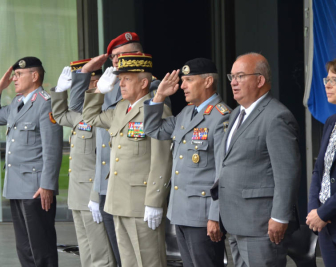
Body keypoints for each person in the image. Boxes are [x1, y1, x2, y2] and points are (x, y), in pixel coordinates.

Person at [69, 31, 169, 266]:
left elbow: (161, 159)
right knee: (128, 261)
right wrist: (96, 90)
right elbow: (89, 117)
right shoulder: (121, 106)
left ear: (143, 82)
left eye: (126, 78)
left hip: (140, 200)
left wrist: (154, 201)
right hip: (117, 198)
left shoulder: (156, 104)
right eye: (119, 76)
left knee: (148, 260)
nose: (120, 82)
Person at [212, 52, 301, 266]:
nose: (233, 82)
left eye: (240, 76)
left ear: (260, 80)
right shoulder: (236, 114)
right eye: (231, 77)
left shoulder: (276, 116)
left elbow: (287, 173)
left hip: (262, 225)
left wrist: (280, 217)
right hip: (235, 222)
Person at [143, 58, 230, 267]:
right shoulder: (187, 113)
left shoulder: (222, 117)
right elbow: (153, 129)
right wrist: (159, 95)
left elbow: (223, 173)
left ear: (208, 81)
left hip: (203, 217)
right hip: (181, 212)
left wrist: (215, 216)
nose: (182, 86)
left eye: (189, 80)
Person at [0, 57, 63, 267]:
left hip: (36, 188)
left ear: (34, 76)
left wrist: (47, 185)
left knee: (41, 246)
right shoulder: (17, 103)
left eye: (19, 75)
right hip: (16, 186)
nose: (14, 79)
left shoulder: (46, 104)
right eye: (13, 75)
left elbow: (52, 149)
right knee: (24, 247)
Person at [50, 59, 116, 266]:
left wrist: (96, 195)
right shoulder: (82, 117)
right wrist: (59, 90)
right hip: (77, 193)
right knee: (86, 252)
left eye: (84, 84)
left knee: (100, 254)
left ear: (96, 84)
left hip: (91, 192)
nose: (79, 92)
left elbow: (104, 161)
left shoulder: (103, 117)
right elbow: (60, 115)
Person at [307, 58, 336, 266]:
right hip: (326, 225)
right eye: (326, 79)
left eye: (333, 80)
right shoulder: (331, 122)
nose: (327, 84)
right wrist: (314, 210)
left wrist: (323, 212)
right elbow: (320, 171)